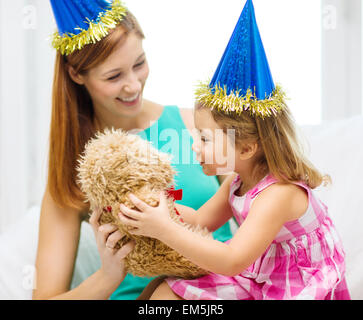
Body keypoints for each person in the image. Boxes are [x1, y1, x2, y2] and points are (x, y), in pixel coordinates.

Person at [119, 0, 351, 300]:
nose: (194, 145)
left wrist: (164, 228)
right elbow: (201, 221)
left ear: (246, 148)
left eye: (204, 138)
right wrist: (157, 207)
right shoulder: (238, 181)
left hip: (295, 286)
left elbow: (231, 261)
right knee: (164, 293)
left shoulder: (278, 194)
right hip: (258, 274)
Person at [33, 0, 232, 300]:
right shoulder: (77, 167)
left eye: (139, 64)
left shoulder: (194, 125)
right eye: (114, 77)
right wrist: (108, 276)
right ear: (76, 74)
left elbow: (257, 206)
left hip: (224, 291)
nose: (133, 85)